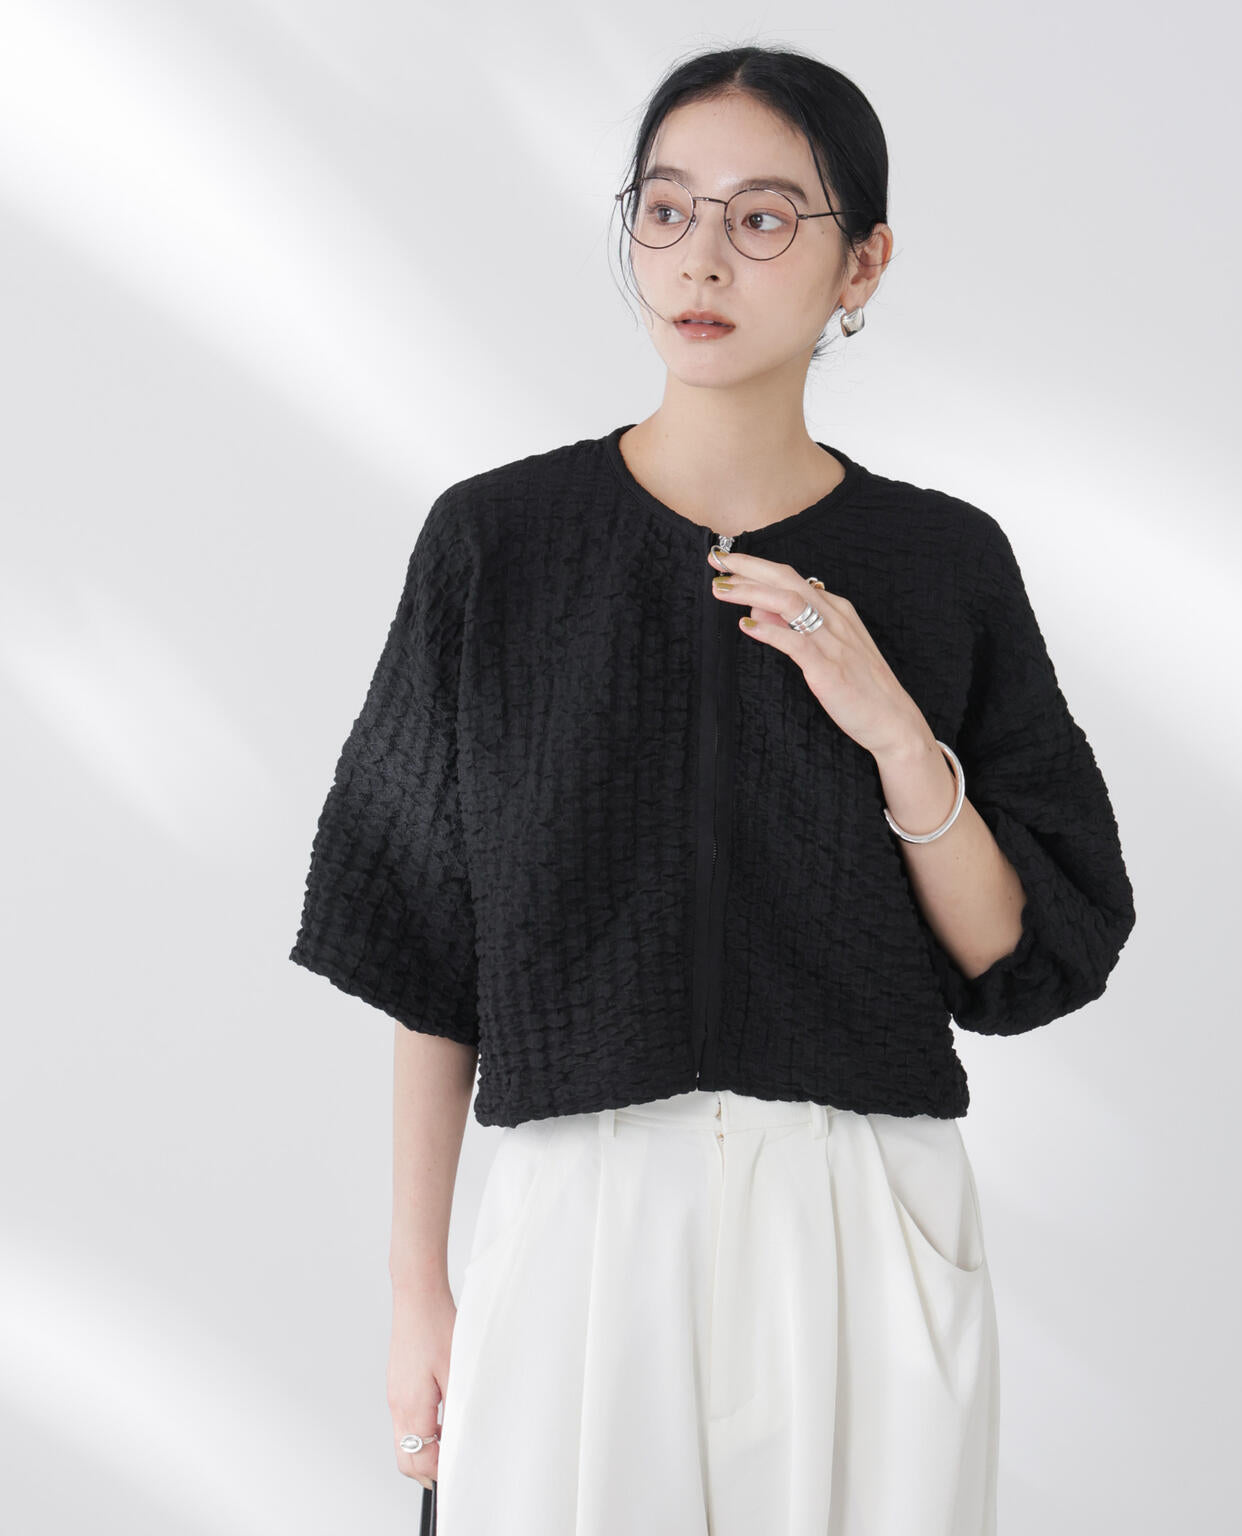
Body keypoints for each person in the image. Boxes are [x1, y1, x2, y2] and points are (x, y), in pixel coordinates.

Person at [287, 44, 1136, 1536]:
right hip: (580, 1211)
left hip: (862, 1218)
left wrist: (895, 733)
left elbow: (1018, 952)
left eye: (763, 218)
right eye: (667, 209)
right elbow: (427, 947)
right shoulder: (497, 543)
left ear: (862, 262)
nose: (702, 258)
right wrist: (421, 1287)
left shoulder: (945, 564)